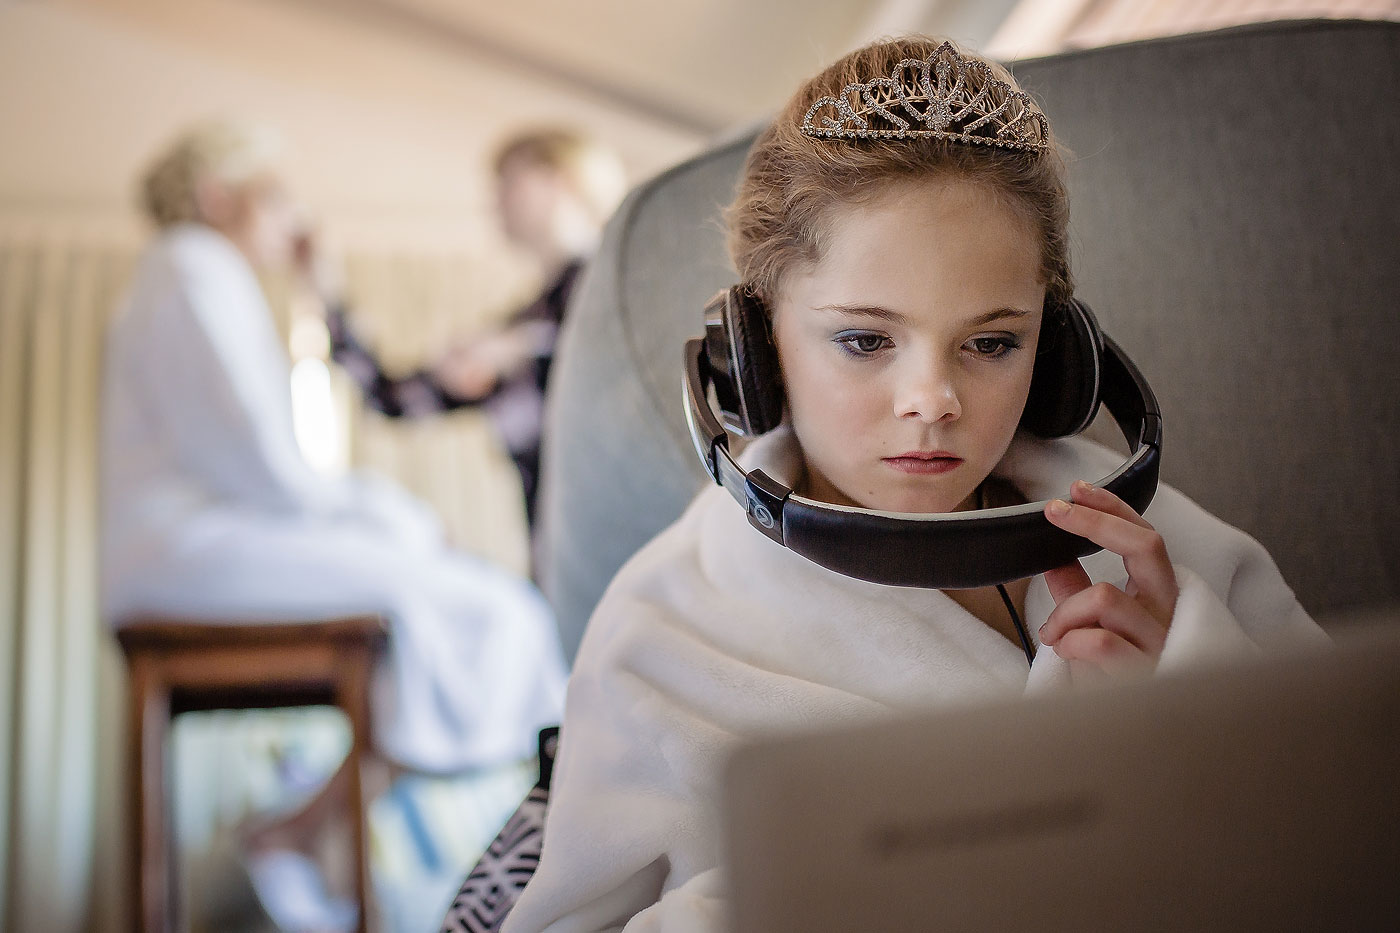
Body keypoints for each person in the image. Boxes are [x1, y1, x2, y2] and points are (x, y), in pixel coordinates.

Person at [500, 37, 1327, 933]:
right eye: (864, 339)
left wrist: (1191, 716)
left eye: (992, 342)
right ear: (755, 351)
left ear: (1056, 357)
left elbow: (1347, 824)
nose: (932, 401)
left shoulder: (1161, 543)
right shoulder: (660, 629)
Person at [101, 120, 568, 931]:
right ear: (218, 198)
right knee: (486, 605)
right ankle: (313, 832)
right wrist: (408, 521)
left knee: (457, 602)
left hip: (184, 544)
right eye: (274, 196)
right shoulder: (193, 268)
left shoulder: (189, 276)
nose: (292, 216)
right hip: (188, 549)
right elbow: (264, 461)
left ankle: (303, 829)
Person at [318, 129, 625, 533]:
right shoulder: (526, 320)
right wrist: (323, 289)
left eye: (509, 181)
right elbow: (393, 399)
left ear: (560, 180)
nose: (495, 201)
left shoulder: (619, 283)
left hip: (625, 532)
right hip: (555, 550)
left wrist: (524, 348)